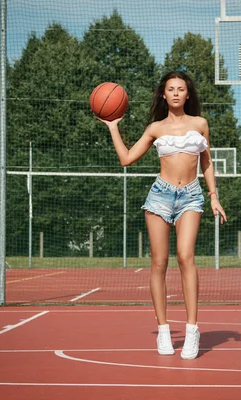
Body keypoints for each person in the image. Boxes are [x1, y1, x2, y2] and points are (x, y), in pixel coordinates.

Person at [99, 71, 227, 360]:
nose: (176, 93)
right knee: (158, 263)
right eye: (171, 89)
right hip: (160, 196)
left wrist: (214, 196)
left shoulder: (200, 124)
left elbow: (206, 163)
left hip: (191, 195)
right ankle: (164, 331)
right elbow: (126, 159)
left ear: (188, 94)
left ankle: (192, 330)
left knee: (185, 256)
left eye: (181, 89)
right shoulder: (155, 128)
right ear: (163, 95)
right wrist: (113, 127)